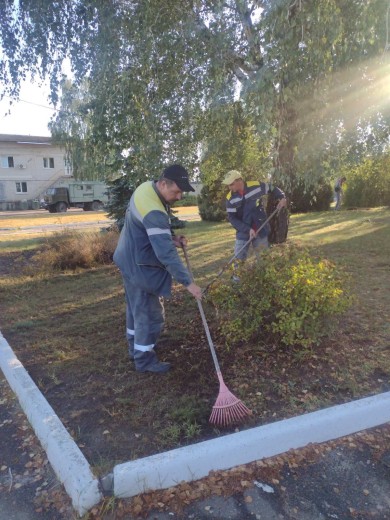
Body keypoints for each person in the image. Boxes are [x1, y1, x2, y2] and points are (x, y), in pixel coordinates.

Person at [113, 164, 202, 374]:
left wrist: (170, 239)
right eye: (176, 191)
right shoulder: (154, 209)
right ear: (163, 184)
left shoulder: (145, 188)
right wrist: (188, 282)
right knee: (150, 315)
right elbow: (165, 254)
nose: (179, 197)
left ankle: (134, 349)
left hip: (127, 259)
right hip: (140, 267)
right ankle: (144, 360)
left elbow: (146, 231)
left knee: (135, 310)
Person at [222, 170, 287, 275]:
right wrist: (248, 230)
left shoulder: (256, 186)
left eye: (231, 184)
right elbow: (232, 219)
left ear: (239, 180)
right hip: (243, 232)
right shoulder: (230, 199)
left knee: (264, 261)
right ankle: (236, 285)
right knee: (238, 262)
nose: (229, 187)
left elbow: (272, 188)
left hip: (261, 229)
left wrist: (282, 197)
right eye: (228, 185)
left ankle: (265, 282)